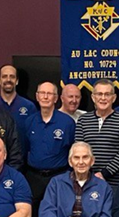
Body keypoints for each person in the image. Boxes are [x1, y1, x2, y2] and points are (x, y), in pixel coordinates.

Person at [22, 82, 76, 214]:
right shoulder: (29, 121)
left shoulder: (67, 122)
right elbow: (24, 149)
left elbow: (73, 151)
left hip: (59, 176)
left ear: (56, 98)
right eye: (42, 93)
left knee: (59, 211)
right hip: (34, 177)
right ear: (37, 96)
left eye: (49, 94)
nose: (45, 97)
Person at [75, 79, 119, 187]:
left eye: (107, 94)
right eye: (99, 94)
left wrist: (104, 173)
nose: (103, 98)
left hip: (114, 183)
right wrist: (89, 174)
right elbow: (78, 150)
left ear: (114, 98)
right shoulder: (83, 120)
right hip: (86, 181)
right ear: (93, 97)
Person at [38, 142, 113, 217]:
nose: (81, 162)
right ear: (70, 162)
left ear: (92, 161)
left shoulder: (104, 187)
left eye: (85, 157)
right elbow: (47, 211)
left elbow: (106, 214)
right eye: (76, 158)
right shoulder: (56, 183)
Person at [0, 64, 37, 132]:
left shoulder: (29, 106)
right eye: (4, 76)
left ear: (17, 81)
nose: (8, 79)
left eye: (12, 77)